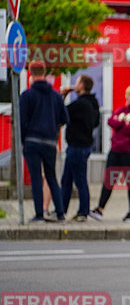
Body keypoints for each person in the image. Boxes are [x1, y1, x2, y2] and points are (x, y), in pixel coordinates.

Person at [90, 85, 130, 223]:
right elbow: (111, 121)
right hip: (115, 150)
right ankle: (99, 209)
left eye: (129, 95)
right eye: (126, 95)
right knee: (109, 180)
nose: (126, 98)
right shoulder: (123, 110)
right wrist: (124, 122)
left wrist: (120, 123)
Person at [19, 61, 68, 223]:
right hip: (50, 142)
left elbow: (22, 121)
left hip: (32, 141)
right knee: (51, 176)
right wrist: (53, 131)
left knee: (36, 178)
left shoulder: (27, 95)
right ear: (45, 72)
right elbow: (64, 118)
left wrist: (23, 141)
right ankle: (60, 212)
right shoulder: (55, 95)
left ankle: (39, 214)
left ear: (31, 74)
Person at [60, 75, 100, 222]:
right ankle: (61, 210)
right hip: (85, 145)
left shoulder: (80, 104)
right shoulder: (93, 103)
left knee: (78, 180)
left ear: (82, 85)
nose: (74, 85)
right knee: (68, 179)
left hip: (76, 146)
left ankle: (82, 212)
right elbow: (95, 123)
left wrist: (63, 96)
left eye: (76, 82)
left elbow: (61, 113)